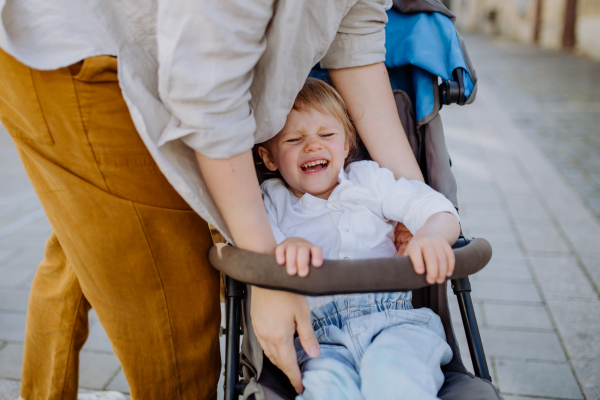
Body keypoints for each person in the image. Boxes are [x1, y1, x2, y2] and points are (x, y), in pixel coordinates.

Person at [0, 0, 425, 398]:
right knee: (177, 325)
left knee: (92, 244)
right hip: (90, 58)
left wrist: (419, 207)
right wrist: (265, 273)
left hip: (172, 64)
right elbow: (209, 98)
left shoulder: (364, 183)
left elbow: (356, 44)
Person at [257, 78, 460, 398]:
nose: (313, 145)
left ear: (347, 143)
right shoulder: (271, 201)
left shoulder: (370, 181)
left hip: (395, 321)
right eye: (294, 139)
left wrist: (432, 235)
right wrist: (284, 246)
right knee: (326, 390)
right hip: (321, 338)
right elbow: (256, 247)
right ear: (268, 158)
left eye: (326, 134)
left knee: (393, 375)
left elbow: (436, 208)